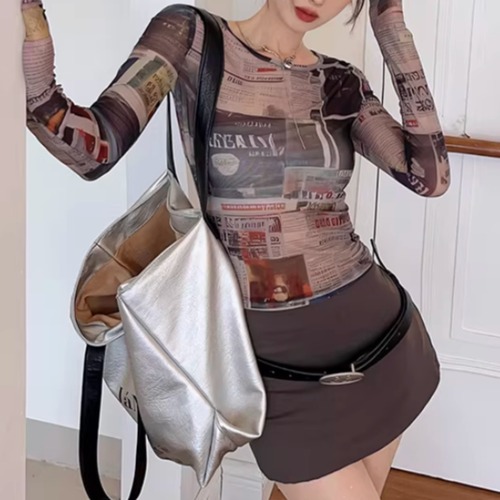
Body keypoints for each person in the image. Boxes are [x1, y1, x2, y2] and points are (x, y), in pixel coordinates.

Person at [21, 0, 450, 498]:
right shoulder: (191, 37)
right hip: (280, 371)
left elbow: (429, 176)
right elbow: (92, 151)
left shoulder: (342, 83)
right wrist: (34, 46)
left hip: (384, 343)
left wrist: (391, 28)